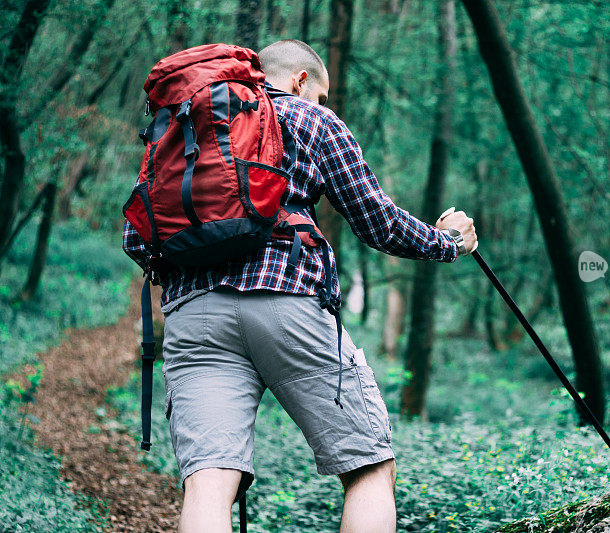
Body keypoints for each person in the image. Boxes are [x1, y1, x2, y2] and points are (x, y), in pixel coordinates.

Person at [123, 38, 477, 533]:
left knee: (208, 481)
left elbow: (137, 238)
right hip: (286, 300)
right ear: (300, 80)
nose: (323, 104)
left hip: (194, 318)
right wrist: (448, 243)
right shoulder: (312, 119)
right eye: (322, 94)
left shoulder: (187, 125)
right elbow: (377, 222)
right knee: (368, 466)